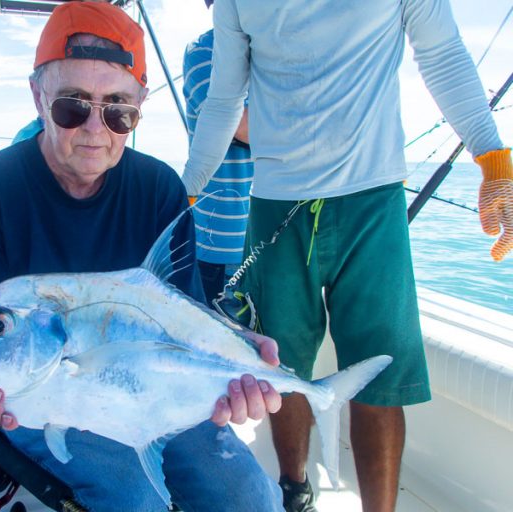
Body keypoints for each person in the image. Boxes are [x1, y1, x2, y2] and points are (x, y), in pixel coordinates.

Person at [0, 2, 283, 511]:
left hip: (150, 391)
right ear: (37, 96)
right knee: (132, 497)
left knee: (247, 494)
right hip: (37, 402)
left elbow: (185, 323)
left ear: (140, 107)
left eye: (119, 111)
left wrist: (238, 353)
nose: (96, 129)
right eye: (73, 105)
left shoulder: (159, 188)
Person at [181, 1, 512, 511]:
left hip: (373, 200)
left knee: (380, 375)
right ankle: (295, 488)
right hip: (275, 207)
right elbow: (224, 99)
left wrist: (492, 156)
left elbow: (442, 53)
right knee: (280, 366)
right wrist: (186, 192)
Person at [183, 0, 252, 308]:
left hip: (272, 242)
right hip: (217, 249)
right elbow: (243, 127)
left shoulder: (276, 56)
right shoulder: (203, 51)